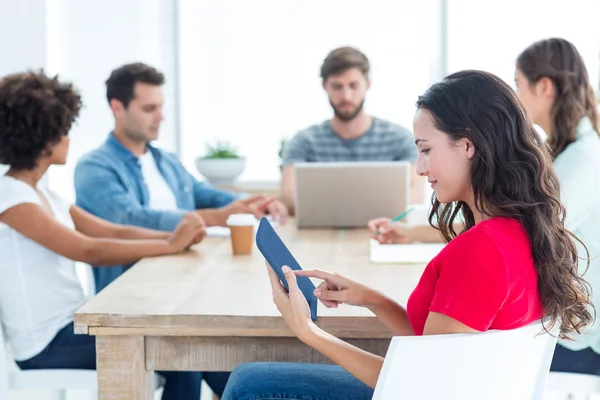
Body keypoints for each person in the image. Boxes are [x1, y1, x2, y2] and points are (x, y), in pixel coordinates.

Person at [221, 70, 593, 399]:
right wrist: (373, 299)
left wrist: (310, 332)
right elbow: (441, 346)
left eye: (426, 150)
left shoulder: (483, 249)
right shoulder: (518, 232)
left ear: (468, 145)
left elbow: (420, 385)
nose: (420, 168)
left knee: (248, 382)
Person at [0, 71, 228, 399]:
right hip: (46, 344)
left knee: (191, 344)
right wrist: (169, 244)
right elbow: (88, 249)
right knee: (183, 355)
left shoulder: (44, 194)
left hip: (73, 325)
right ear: (44, 137)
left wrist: (174, 239)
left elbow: (113, 231)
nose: (69, 139)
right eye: (64, 130)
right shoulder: (11, 197)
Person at [74, 62, 288, 292]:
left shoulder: (166, 161)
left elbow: (204, 193)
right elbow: (129, 219)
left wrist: (256, 203)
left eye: (161, 107)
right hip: (132, 290)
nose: (160, 117)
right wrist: (213, 218)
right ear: (117, 107)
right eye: (149, 109)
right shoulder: (94, 167)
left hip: (185, 278)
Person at [514, 38, 600, 375]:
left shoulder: (584, 159)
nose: (515, 95)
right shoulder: (571, 151)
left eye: (518, 84)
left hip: (580, 341)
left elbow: (527, 228)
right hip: (567, 324)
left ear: (544, 86)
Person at [280, 47, 423, 213]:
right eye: (337, 87)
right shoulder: (304, 141)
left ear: (367, 84)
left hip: (384, 234)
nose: (346, 96)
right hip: (319, 235)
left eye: (353, 85)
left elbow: (417, 195)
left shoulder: (400, 139)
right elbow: (289, 197)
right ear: (325, 86)